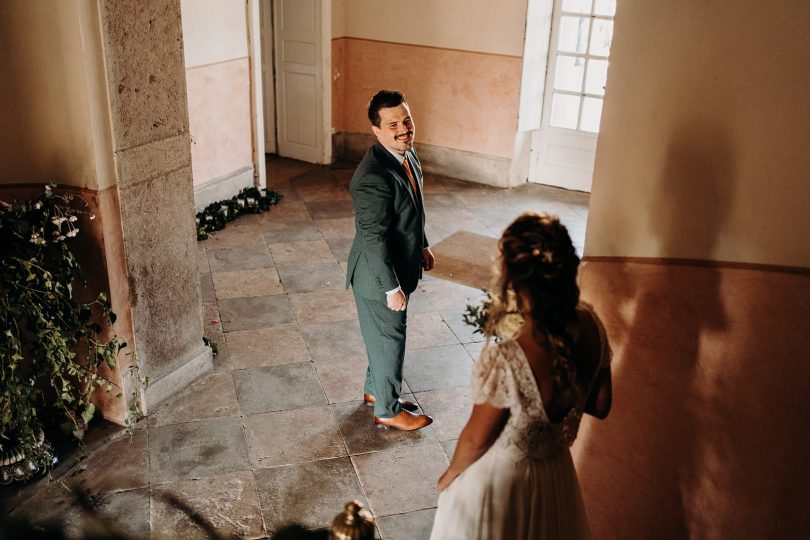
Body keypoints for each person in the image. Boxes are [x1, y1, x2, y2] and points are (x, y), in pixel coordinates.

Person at [430, 212, 613, 539]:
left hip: (505, 484)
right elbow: (600, 404)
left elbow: (477, 438)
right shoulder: (592, 326)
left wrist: (450, 477)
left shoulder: (508, 359)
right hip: (555, 479)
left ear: (513, 281)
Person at [346, 90, 435, 431]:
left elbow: (413, 209)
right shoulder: (372, 178)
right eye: (393, 124)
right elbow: (374, 239)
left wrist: (422, 246)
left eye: (406, 120)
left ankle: (374, 390)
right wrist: (392, 288)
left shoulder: (406, 156)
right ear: (376, 130)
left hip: (398, 264)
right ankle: (387, 408)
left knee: (380, 336)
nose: (404, 129)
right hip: (378, 276)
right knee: (390, 339)